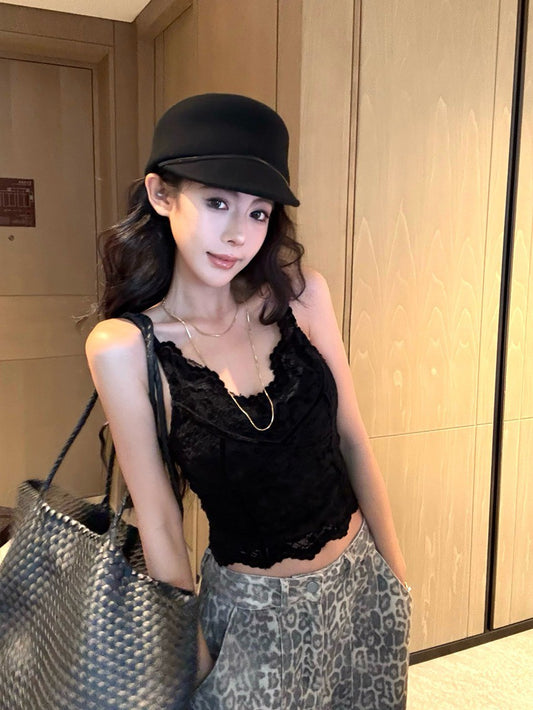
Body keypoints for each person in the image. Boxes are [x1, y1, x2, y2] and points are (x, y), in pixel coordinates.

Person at [86, 93, 411, 709]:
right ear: (161, 195)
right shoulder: (124, 347)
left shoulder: (301, 297)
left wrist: (395, 580)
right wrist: (198, 663)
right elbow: (160, 521)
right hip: (248, 620)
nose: (239, 234)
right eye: (217, 203)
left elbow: (351, 438)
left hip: (360, 585)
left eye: (258, 212)